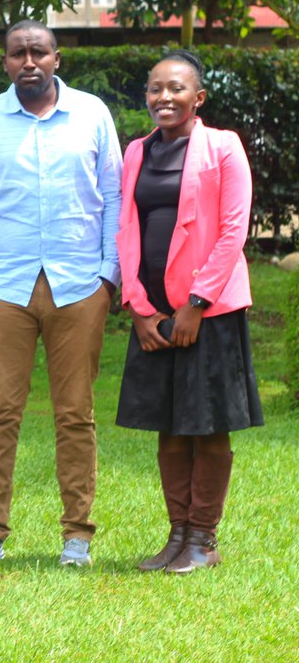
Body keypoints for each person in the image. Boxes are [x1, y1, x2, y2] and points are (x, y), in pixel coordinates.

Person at [0, 19, 122, 567]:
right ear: (5, 62)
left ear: (57, 59)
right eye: (17, 53)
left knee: (75, 413)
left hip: (79, 285)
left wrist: (108, 274)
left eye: (38, 52)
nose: (28, 61)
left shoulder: (93, 114)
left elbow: (113, 195)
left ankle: (77, 533)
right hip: (2, 286)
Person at [115, 50, 262, 573]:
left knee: (207, 423)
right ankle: (177, 535)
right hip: (152, 311)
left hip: (210, 311)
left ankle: (204, 538)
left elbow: (232, 230)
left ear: (197, 98)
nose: (164, 98)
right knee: (169, 425)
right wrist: (138, 307)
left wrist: (196, 305)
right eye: (155, 89)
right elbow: (126, 228)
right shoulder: (135, 151)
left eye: (176, 88)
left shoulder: (223, 147)